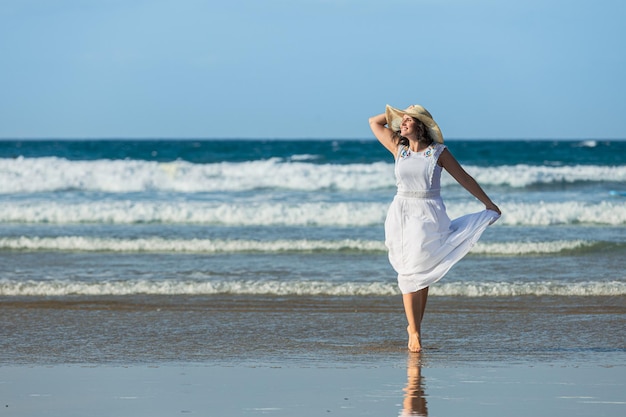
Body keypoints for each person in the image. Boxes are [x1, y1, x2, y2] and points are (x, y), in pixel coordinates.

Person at [369, 104, 501, 353]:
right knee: (408, 271)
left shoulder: (438, 152)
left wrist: (487, 203)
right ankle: (414, 331)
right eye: (402, 120)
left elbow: (464, 177)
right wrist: (397, 112)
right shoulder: (400, 148)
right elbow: (374, 123)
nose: (402, 124)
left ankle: (415, 327)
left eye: (409, 120)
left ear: (420, 126)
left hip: (429, 214)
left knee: (423, 269)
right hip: (402, 213)